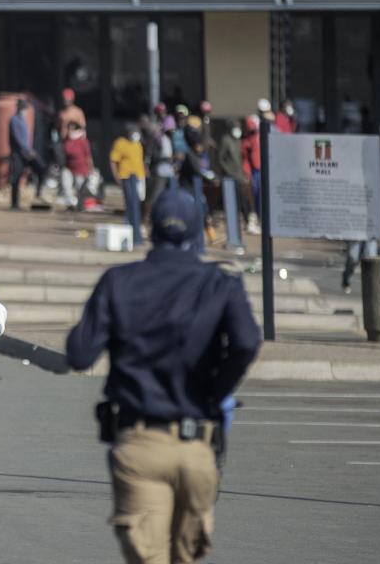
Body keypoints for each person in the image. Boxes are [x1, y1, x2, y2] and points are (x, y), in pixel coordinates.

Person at [66, 189, 261, 564]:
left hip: (140, 440)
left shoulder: (118, 281)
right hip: (197, 444)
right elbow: (247, 342)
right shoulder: (221, 283)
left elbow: (79, 354)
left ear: (150, 230)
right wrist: (216, 392)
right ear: (201, 232)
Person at [110, 125, 146, 247]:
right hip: (126, 177)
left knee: (137, 204)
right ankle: (133, 235)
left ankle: (136, 234)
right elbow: (113, 160)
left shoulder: (137, 144)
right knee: (131, 204)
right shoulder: (120, 143)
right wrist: (116, 176)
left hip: (138, 177)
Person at [214, 119, 247, 253]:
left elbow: (240, 159)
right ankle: (233, 236)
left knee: (241, 202)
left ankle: (240, 232)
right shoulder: (226, 140)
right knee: (231, 205)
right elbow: (220, 159)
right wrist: (228, 171)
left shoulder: (238, 141)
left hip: (239, 176)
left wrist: (243, 174)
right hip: (230, 178)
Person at [9, 98, 45, 209]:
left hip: (27, 152)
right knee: (16, 177)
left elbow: (26, 138)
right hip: (19, 154)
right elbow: (18, 139)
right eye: (23, 107)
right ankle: (15, 204)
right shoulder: (14, 120)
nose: (24, 110)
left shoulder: (23, 119)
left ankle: (38, 193)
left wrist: (30, 150)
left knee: (41, 169)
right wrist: (28, 151)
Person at [61, 121, 93, 209]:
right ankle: (71, 204)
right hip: (69, 167)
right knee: (66, 185)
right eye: (69, 129)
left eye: (72, 129)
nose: (70, 131)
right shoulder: (67, 141)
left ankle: (80, 205)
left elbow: (88, 156)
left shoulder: (83, 142)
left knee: (80, 188)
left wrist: (91, 169)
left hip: (81, 169)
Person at [240, 115, 262, 234]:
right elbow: (245, 159)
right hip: (253, 171)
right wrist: (247, 172)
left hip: (261, 169)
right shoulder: (246, 141)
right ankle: (254, 219)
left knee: (261, 196)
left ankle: (260, 219)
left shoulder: (260, 137)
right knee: (253, 195)